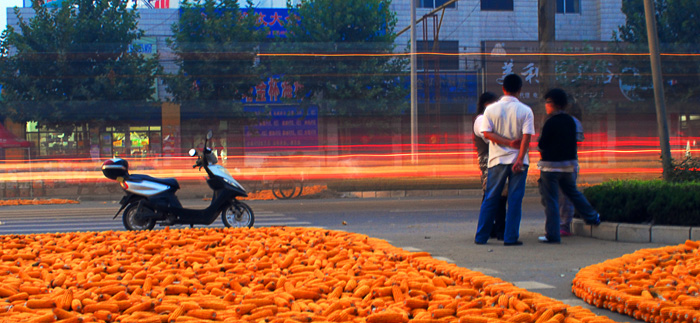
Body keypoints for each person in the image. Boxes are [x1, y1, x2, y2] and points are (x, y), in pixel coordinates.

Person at [474, 74, 534, 246]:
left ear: (503, 88)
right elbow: (526, 138)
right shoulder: (525, 111)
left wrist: (506, 143)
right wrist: (519, 159)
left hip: (497, 160)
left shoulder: (490, 110)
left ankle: (481, 237)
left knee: (491, 198)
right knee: (515, 200)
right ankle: (510, 237)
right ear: (519, 90)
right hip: (518, 161)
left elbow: (486, 133)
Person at [537, 88, 601, 244]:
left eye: (547, 102)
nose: (546, 105)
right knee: (573, 194)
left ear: (553, 104)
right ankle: (593, 217)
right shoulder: (572, 121)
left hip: (550, 167)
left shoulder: (550, 121)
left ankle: (553, 234)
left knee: (551, 200)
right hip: (568, 166)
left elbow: (542, 144)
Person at [473, 92, 507, 240]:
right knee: (493, 195)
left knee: (494, 195)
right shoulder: (481, 119)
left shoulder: (489, 118)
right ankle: (494, 229)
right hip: (487, 160)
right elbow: (487, 137)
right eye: (493, 103)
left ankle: (491, 228)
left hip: (493, 159)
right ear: (485, 104)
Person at [559, 101, 584, 236]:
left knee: (555, 196)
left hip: (554, 164)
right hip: (570, 162)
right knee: (567, 195)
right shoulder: (576, 122)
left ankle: (558, 225)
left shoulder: (553, 121)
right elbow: (578, 142)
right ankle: (564, 226)